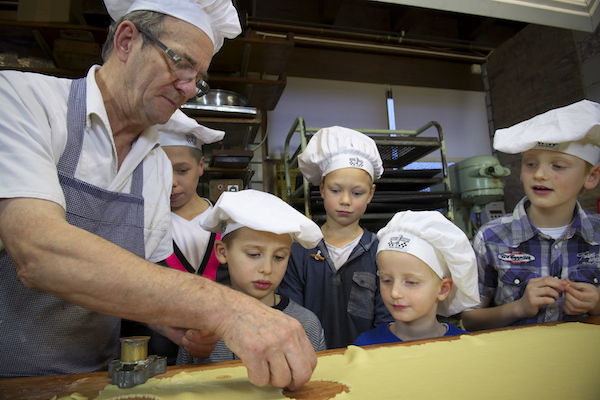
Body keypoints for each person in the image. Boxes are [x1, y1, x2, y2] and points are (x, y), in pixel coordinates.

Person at [0, 0, 317, 389]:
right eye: (179, 62)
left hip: (93, 381)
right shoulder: (22, 101)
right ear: (127, 40)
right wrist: (224, 307)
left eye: (198, 77)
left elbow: (134, 278)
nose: (188, 88)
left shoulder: (154, 164)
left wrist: (171, 322)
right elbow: (37, 252)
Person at [462, 99, 600, 331]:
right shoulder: (492, 237)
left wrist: (597, 303)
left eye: (558, 166)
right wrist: (519, 307)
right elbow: (469, 320)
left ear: (591, 177)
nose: (539, 174)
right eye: (530, 164)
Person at [120, 111, 226, 364]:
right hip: (156, 358)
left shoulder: (227, 222)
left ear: (201, 167)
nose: (172, 183)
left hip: (223, 352)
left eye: (182, 170)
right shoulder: (139, 225)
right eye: (162, 171)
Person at [177, 189, 327, 364]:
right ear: (222, 251)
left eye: (279, 257)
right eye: (254, 254)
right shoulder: (204, 323)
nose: (267, 268)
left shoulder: (304, 323)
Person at [278, 126, 393, 349]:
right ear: (321, 189)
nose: (346, 201)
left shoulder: (380, 252)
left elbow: (386, 319)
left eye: (357, 193)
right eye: (336, 190)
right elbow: (290, 316)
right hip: (309, 358)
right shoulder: (300, 250)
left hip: (369, 361)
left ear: (371, 194)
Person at [354, 211, 480, 345]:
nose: (395, 293)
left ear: (443, 289)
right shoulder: (367, 346)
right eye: (386, 280)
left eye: (411, 282)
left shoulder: (463, 346)